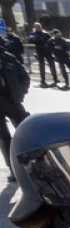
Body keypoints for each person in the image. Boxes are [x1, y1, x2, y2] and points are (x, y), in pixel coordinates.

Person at [0, 42, 30, 181]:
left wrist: (20, 94)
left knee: (25, 131)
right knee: (4, 138)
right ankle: (13, 169)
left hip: (11, 101)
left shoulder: (9, 59)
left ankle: (31, 164)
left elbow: (24, 77)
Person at [27, 23, 52, 88]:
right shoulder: (33, 34)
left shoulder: (45, 33)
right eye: (36, 27)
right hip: (40, 51)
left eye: (38, 27)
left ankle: (54, 78)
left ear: (41, 27)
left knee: (51, 64)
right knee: (41, 66)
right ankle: (43, 80)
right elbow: (30, 41)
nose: (38, 28)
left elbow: (51, 41)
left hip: (47, 51)